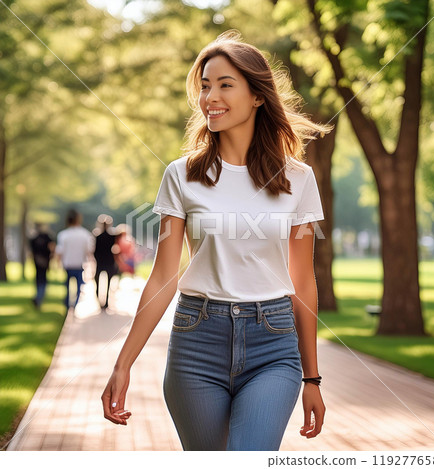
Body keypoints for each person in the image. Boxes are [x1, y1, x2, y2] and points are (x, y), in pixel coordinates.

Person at [102, 31, 329, 451]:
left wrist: (311, 378)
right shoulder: (181, 174)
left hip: (273, 345)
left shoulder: (298, 179)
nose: (210, 97)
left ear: (257, 96)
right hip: (196, 343)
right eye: (205, 86)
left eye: (225, 85)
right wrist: (123, 363)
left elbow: (303, 281)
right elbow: (163, 278)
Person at [55, 209, 94, 312]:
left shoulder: (63, 235)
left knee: (67, 286)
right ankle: (75, 305)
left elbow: (60, 251)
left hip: (67, 264)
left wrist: (57, 264)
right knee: (78, 287)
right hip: (79, 264)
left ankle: (68, 305)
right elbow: (88, 251)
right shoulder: (85, 234)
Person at [93, 214, 118, 311]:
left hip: (100, 262)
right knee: (108, 284)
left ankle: (99, 300)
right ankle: (106, 301)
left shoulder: (97, 236)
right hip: (109, 261)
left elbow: (95, 250)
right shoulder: (112, 237)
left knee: (97, 282)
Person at [29, 223, 55, 310]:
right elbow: (52, 248)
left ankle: (38, 296)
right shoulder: (48, 238)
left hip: (37, 261)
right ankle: (39, 297)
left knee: (38, 278)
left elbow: (31, 252)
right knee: (43, 279)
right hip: (45, 262)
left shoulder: (34, 238)